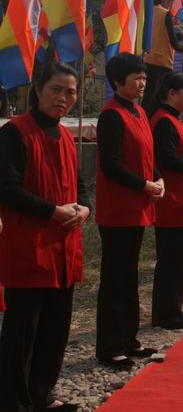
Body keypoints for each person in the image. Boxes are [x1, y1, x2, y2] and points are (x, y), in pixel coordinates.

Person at [0, 63, 91, 412]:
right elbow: (7, 188)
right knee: (23, 331)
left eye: (70, 91)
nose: (63, 98)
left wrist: (85, 209)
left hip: (65, 248)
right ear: (38, 90)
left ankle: (42, 395)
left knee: (55, 329)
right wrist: (54, 211)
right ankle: (14, 402)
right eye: (56, 89)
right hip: (31, 247)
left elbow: (81, 186)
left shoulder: (66, 134)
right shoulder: (15, 133)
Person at [95, 53, 164, 370]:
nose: (142, 82)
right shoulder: (111, 116)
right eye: (135, 77)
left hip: (138, 206)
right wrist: (143, 185)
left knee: (129, 276)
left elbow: (145, 154)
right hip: (119, 210)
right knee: (115, 278)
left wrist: (156, 180)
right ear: (117, 82)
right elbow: (111, 165)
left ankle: (129, 339)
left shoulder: (137, 110)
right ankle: (110, 346)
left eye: (144, 77)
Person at [150, 73, 183, 330]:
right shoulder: (163, 122)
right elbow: (166, 158)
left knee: (176, 259)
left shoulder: (171, 119)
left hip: (181, 198)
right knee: (170, 260)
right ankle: (165, 313)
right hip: (172, 200)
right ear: (171, 93)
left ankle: (173, 309)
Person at [142, 0, 183, 114]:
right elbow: (172, 40)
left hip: (148, 58)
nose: (171, 6)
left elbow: (160, 34)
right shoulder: (165, 13)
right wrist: (181, 47)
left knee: (148, 94)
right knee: (161, 96)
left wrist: (179, 36)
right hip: (162, 62)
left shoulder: (148, 11)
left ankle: (145, 120)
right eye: (171, 2)